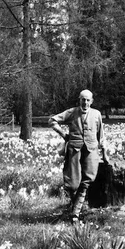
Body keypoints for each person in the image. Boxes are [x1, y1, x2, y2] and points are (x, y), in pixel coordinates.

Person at [49, 89, 110, 222]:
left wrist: (104, 153)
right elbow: (52, 120)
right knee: (72, 182)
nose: (85, 102)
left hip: (91, 150)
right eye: (83, 99)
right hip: (74, 150)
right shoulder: (71, 112)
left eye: (88, 100)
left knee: (88, 178)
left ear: (92, 101)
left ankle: (75, 212)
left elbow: (101, 135)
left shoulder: (96, 114)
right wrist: (64, 135)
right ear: (79, 100)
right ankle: (76, 207)